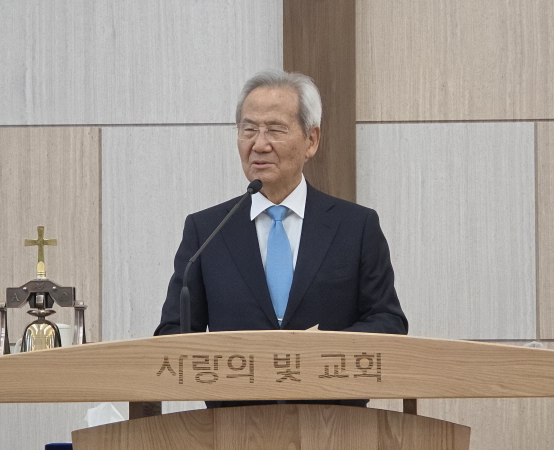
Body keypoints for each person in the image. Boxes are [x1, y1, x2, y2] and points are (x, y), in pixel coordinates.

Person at [154, 70, 407, 407]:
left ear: (311, 140)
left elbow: (388, 323)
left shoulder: (355, 226)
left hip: (333, 424)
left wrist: (315, 353)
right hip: (233, 426)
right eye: (249, 130)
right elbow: (173, 333)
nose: (259, 144)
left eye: (275, 129)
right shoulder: (207, 231)